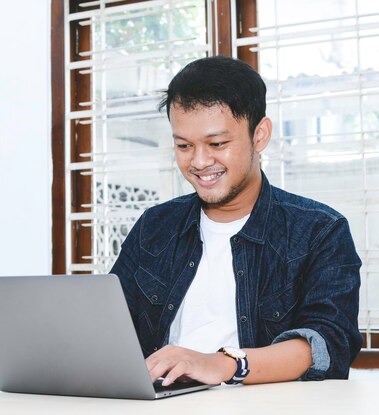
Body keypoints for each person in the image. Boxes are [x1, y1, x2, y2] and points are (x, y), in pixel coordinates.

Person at [110, 56, 362, 386]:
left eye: (217, 144)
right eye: (184, 145)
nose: (199, 162)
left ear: (260, 135)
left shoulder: (319, 231)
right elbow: (109, 329)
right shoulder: (154, 226)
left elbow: (328, 344)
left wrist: (224, 363)